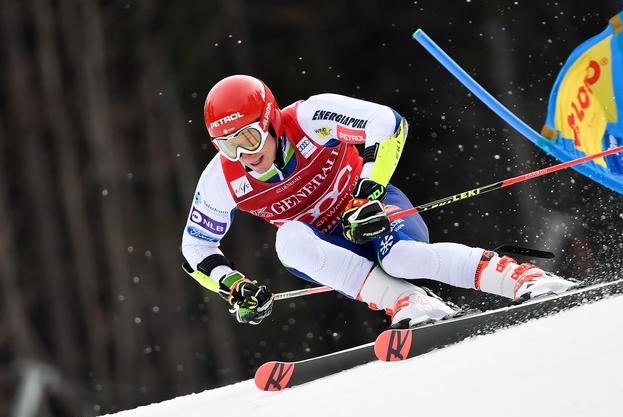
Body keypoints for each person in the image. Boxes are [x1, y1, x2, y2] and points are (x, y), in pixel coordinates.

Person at [181, 74, 574, 327]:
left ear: (270, 121)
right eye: (227, 145)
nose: (243, 155)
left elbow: (390, 126)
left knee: (402, 257)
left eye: (248, 138)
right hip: (330, 248)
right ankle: (411, 302)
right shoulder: (223, 178)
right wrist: (230, 284)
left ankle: (525, 279)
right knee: (288, 240)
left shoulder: (310, 118)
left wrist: (367, 193)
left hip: (374, 212)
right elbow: (194, 246)